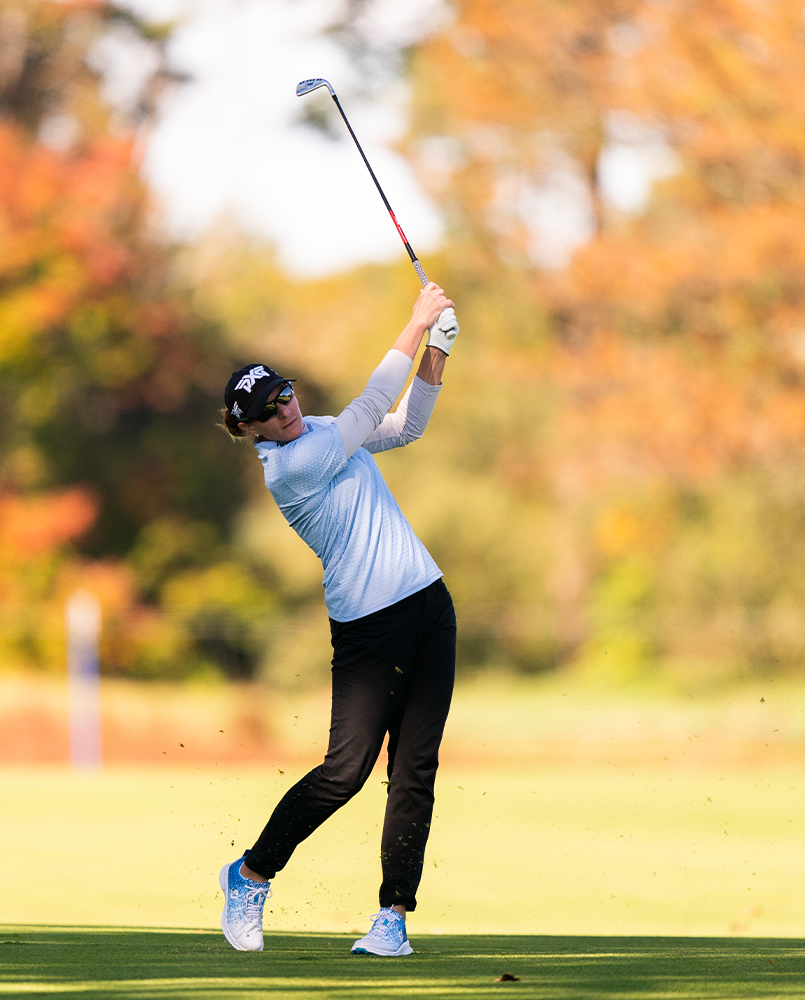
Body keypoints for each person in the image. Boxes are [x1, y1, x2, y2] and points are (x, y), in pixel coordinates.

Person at [216, 282, 460, 957]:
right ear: (250, 430)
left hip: (428, 604)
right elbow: (372, 404)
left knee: (415, 767)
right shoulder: (290, 468)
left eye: (286, 393)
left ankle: (393, 917)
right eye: (270, 409)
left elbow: (403, 425)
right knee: (344, 771)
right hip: (368, 630)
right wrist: (415, 322)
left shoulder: (321, 432)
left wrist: (436, 350)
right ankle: (250, 873)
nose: (287, 409)